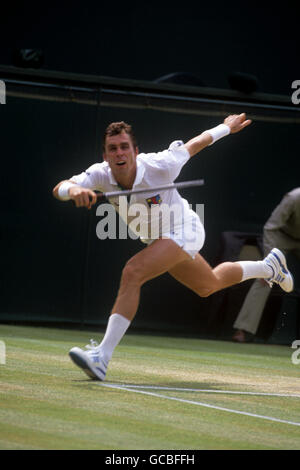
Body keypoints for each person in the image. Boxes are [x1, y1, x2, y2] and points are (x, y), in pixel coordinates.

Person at [52, 114, 293, 381]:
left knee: (133, 272)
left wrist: (226, 128)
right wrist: (72, 191)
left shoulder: (161, 165)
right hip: (158, 239)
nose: (119, 153)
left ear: (135, 151)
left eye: (124, 147)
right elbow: (61, 186)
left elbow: (196, 143)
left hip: (185, 229)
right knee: (209, 284)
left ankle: (102, 356)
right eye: (113, 148)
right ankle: (267, 267)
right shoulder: (100, 174)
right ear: (106, 155)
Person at [233, 188, 299, 343]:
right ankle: (243, 329)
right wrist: (270, 263)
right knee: (265, 277)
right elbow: (271, 227)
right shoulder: (294, 197)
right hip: (281, 236)